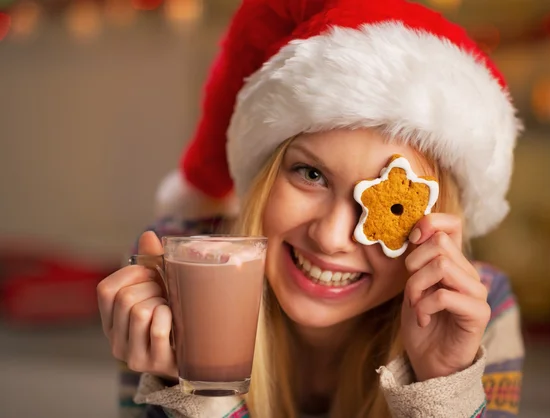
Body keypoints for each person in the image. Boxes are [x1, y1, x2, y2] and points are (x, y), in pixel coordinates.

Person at [96, 0, 525, 417]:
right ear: (264, 174)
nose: (331, 237)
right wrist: (192, 384)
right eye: (311, 174)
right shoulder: (180, 277)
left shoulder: (475, 316)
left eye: (389, 205)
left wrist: (443, 385)